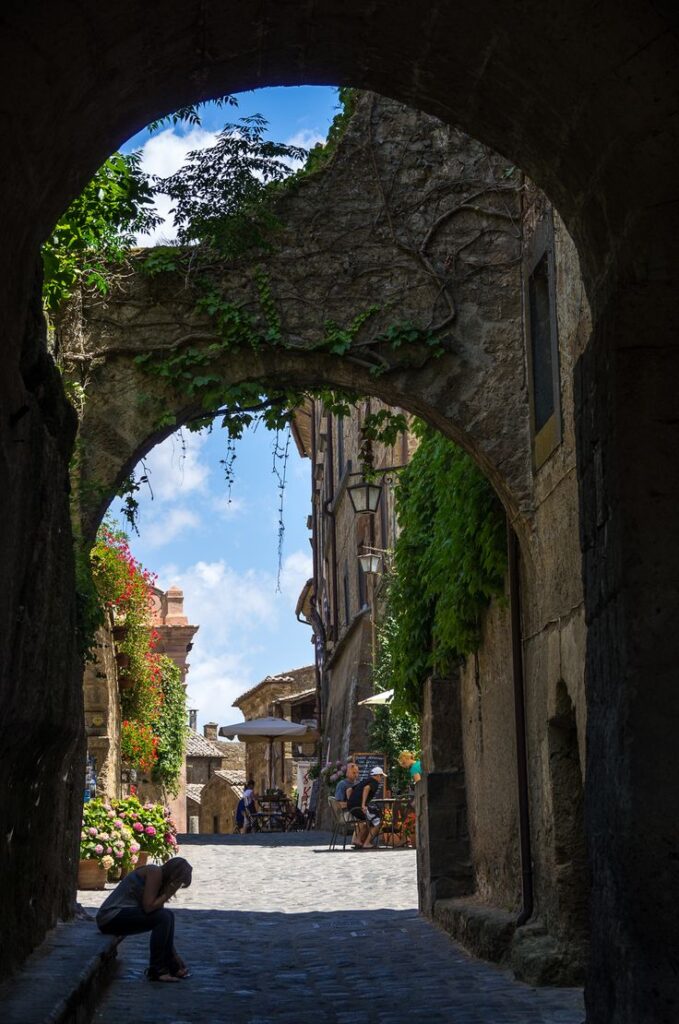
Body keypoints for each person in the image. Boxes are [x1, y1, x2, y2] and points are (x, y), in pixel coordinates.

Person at [96, 856, 193, 982]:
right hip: (111, 917)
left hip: (120, 916)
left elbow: (160, 917)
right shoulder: (154, 872)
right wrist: (167, 894)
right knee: (164, 916)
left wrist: (175, 956)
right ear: (173, 874)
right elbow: (148, 907)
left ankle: (172, 966)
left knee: (167, 916)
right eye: (178, 882)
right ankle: (157, 970)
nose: (176, 887)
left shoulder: (160, 882)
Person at [347, 765, 387, 849]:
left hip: (351, 806)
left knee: (366, 820)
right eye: (381, 776)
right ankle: (367, 843)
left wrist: (351, 801)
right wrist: (363, 804)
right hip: (358, 807)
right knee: (378, 820)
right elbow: (366, 788)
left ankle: (357, 840)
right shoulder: (374, 782)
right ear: (378, 775)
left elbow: (349, 790)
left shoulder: (365, 780)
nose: (381, 778)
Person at [334, 762, 367, 846]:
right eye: (354, 772)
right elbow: (338, 804)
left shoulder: (357, 784)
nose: (356, 775)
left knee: (370, 815)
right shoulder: (342, 784)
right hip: (344, 814)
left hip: (353, 811)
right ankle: (358, 840)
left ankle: (358, 840)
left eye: (357, 772)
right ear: (347, 773)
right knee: (367, 818)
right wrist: (352, 804)